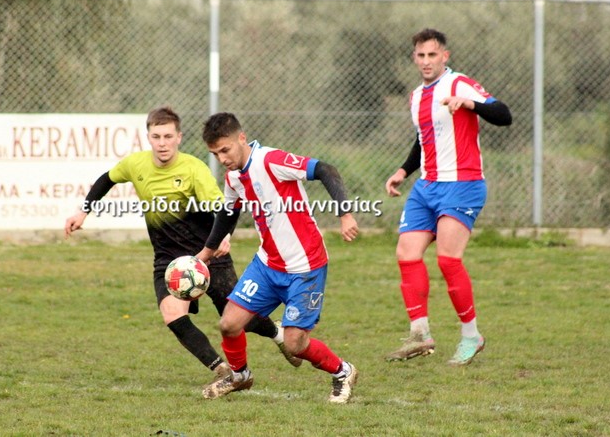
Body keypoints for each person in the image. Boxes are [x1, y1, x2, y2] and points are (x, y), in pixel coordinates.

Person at [64, 107, 301, 388]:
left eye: (168, 136)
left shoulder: (193, 169)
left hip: (208, 255)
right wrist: (83, 211)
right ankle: (224, 370)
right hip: (169, 259)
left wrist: (224, 238)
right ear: (148, 137)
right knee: (173, 316)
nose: (162, 143)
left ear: (179, 137)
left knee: (240, 321)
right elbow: (107, 179)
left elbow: (223, 208)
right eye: (156, 137)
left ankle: (277, 334)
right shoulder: (135, 165)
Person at [196, 112, 359, 404]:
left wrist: (345, 213)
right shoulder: (233, 177)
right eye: (215, 153)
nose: (222, 158)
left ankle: (343, 371)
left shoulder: (271, 161)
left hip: (305, 267)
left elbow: (326, 169)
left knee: (295, 343)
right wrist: (205, 254)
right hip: (267, 265)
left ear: (241, 138)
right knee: (229, 324)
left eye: (225, 150)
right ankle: (240, 376)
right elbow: (228, 214)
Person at [384, 28, 512, 366]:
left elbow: (504, 115)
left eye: (432, 55)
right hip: (426, 186)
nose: (426, 61)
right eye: (421, 55)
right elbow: (424, 140)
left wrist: (470, 104)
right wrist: (403, 171)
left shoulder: (459, 84)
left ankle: (471, 336)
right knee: (406, 253)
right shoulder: (416, 96)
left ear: (445, 56)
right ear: (414, 58)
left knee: (447, 260)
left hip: (462, 184)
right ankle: (420, 334)